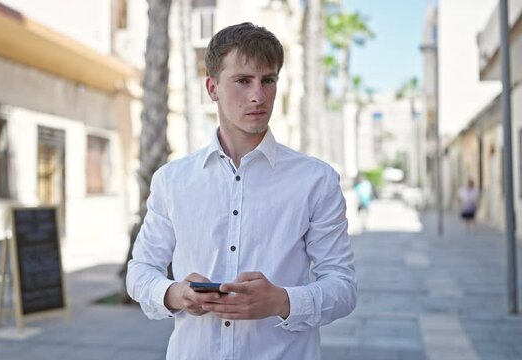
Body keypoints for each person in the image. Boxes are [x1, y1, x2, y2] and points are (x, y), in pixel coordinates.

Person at [126, 22, 356, 359]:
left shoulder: (316, 180)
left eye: (268, 80)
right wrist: (175, 293)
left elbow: (343, 286)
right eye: (242, 81)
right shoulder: (171, 180)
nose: (258, 96)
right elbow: (140, 270)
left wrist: (282, 300)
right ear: (212, 88)